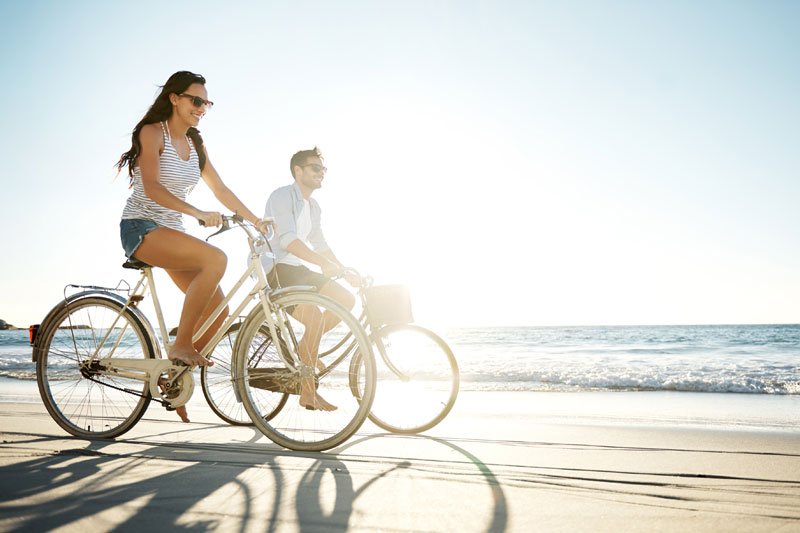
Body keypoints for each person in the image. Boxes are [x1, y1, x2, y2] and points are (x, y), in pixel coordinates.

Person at [117, 71, 270, 422]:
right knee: (216, 258)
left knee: (217, 315)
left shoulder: (196, 145)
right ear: (175, 98)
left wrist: (256, 220)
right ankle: (180, 345)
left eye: (207, 103)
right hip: (141, 229)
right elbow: (153, 188)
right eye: (196, 100)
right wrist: (196, 212)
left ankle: (175, 378)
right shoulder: (153, 132)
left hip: (170, 232)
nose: (202, 108)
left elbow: (222, 190)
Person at [262, 147, 359, 411]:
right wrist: (324, 264)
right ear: (298, 171)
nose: (321, 174)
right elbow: (289, 241)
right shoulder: (282, 196)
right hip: (275, 267)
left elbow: (320, 243)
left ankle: (306, 348)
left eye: (323, 169)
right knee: (314, 318)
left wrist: (343, 269)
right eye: (316, 168)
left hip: (297, 266)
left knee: (345, 299)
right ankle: (307, 393)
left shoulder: (313, 206)